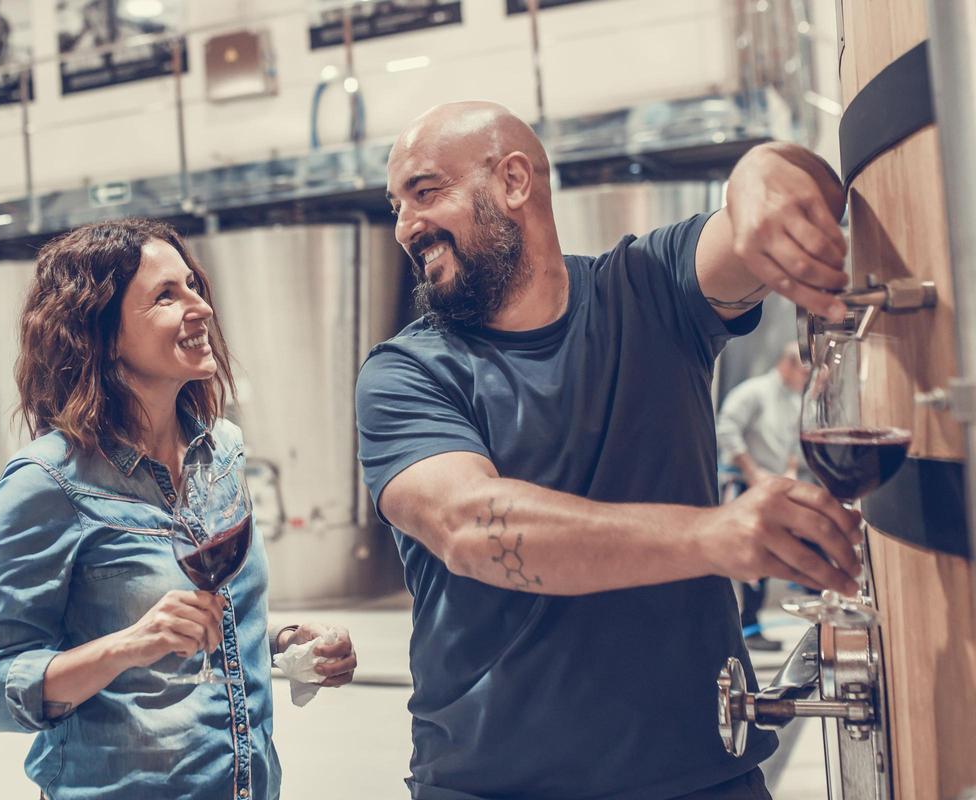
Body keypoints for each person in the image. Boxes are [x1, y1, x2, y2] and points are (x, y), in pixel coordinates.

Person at [357, 101, 861, 799]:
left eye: (425, 191)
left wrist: (764, 169)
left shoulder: (650, 289)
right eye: (396, 205)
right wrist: (715, 535)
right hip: (492, 784)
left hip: (699, 776)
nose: (406, 226)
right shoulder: (405, 373)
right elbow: (471, 526)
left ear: (512, 181)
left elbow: (764, 223)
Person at [0, 218, 357, 800]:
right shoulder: (46, 481)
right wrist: (128, 646)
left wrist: (285, 639)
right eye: (166, 296)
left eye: (194, 285)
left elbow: (208, 617)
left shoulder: (221, 450)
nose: (199, 306)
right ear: (101, 334)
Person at [718, 341, 812, 652]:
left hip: (774, 486)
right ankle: (744, 627)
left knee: (773, 551)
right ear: (787, 364)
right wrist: (753, 471)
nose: (805, 378)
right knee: (748, 554)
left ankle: (756, 624)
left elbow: (792, 446)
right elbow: (727, 429)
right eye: (803, 370)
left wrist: (790, 473)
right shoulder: (754, 392)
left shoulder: (795, 401)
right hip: (745, 484)